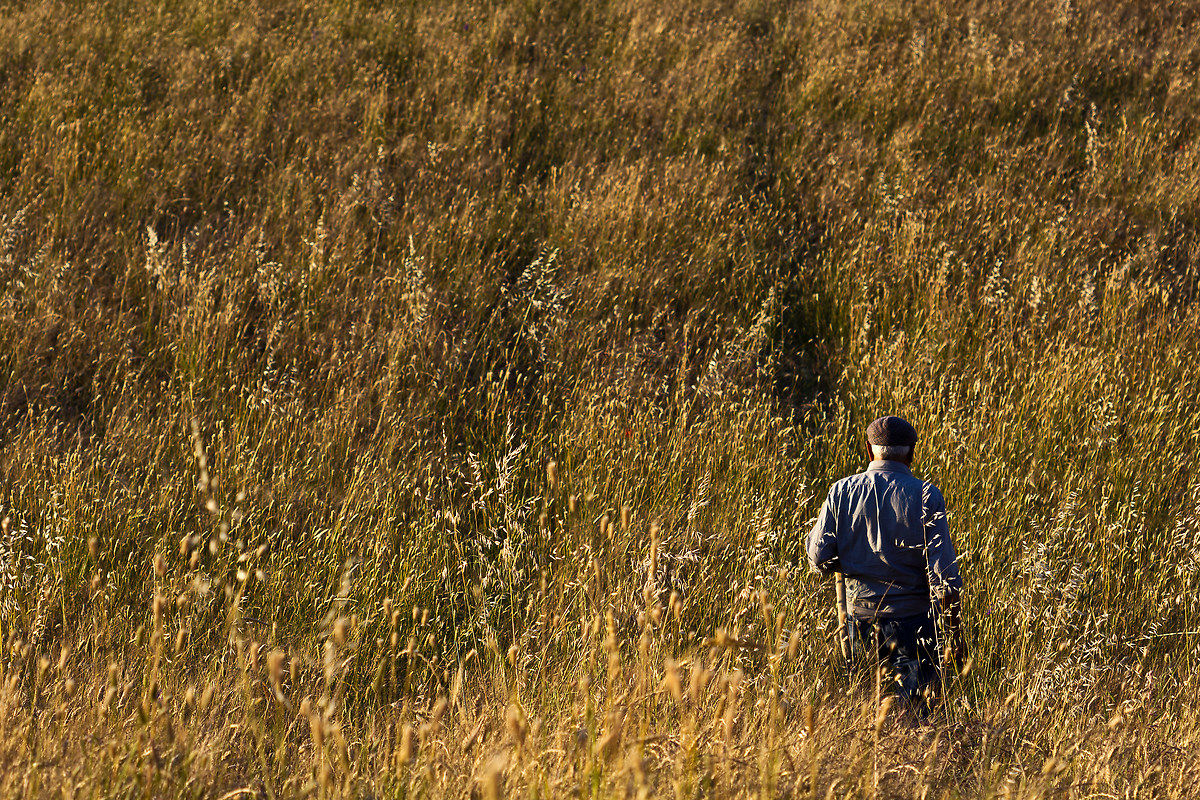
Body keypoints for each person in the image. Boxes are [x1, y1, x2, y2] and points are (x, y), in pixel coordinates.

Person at [807, 415, 965, 716]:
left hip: (859, 621)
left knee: (864, 712)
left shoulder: (841, 491)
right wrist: (954, 636)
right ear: (912, 453)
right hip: (913, 624)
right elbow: (944, 577)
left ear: (869, 450)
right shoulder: (926, 495)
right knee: (919, 717)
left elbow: (819, 559)